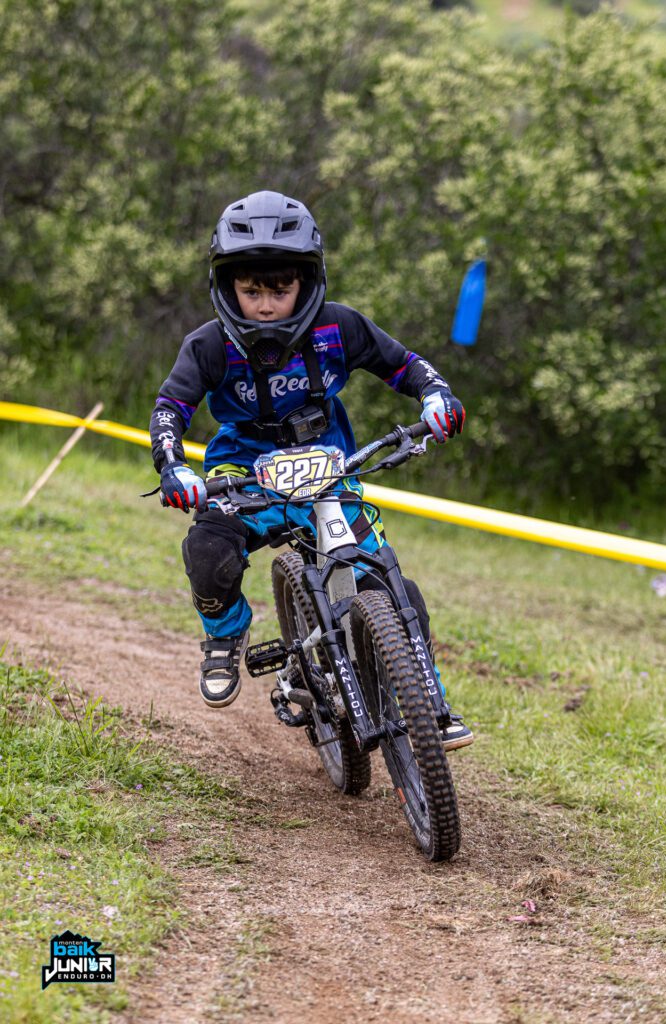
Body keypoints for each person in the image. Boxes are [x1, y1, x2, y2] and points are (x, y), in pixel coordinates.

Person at [150, 190, 473, 750]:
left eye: (280, 290)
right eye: (251, 291)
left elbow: (404, 365)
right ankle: (223, 636)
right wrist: (174, 466)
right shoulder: (208, 345)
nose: (266, 306)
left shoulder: (339, 328)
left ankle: (428, 701)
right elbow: (169, 408)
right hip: (242, 473)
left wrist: (436, 396)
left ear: (307, 280)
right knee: (207, 551)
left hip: (328, 467)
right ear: (227, 286)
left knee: (391, 584)